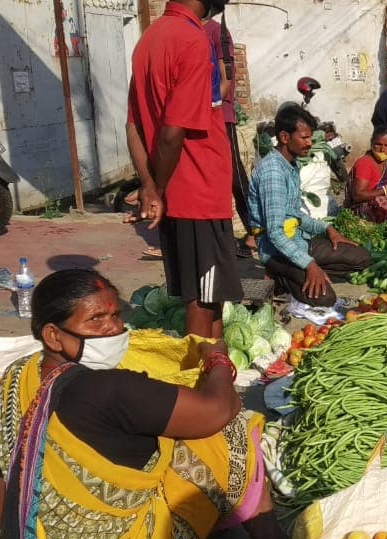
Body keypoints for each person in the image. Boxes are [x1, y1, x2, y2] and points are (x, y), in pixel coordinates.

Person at [0, 269, 289, 539]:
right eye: (95, 319)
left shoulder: (20, 373)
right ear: (53, 335)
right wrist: (217, 360)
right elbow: (218, 409)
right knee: (233, 428)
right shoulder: (109, 390)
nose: (112, 328)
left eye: (115, 314)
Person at [125, 0, 237, 340]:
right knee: (203, 301)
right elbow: (173, 132)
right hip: (198, 190)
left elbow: (133, 126)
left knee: (210, 296)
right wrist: (155, 188)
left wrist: (149, 184)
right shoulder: (192, 40)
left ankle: (215, 379)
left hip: (181, 191)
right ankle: (199, 387)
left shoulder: (150, 37)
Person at [249, 105, 371, 307]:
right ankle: (280, 275)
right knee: (326, 299)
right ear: (284, 137)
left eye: (311, 138)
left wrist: (327, 228)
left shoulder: (291, 164)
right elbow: (275, 234)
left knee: (362, 258)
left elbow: (295, 215)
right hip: (276, 252)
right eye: (304, 138)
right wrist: (309, 264)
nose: (309, 143)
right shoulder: (273, 173)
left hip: (299, 242)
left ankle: (301, 273)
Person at [207, 7, 257, 259]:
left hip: (219, 116)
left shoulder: (217, 32)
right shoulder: (190, 31)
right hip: (196, 118)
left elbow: (226, 80)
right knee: (209, 179)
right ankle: (216, 238)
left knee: (235, 177)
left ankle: (255, 233)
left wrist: (208, 105)